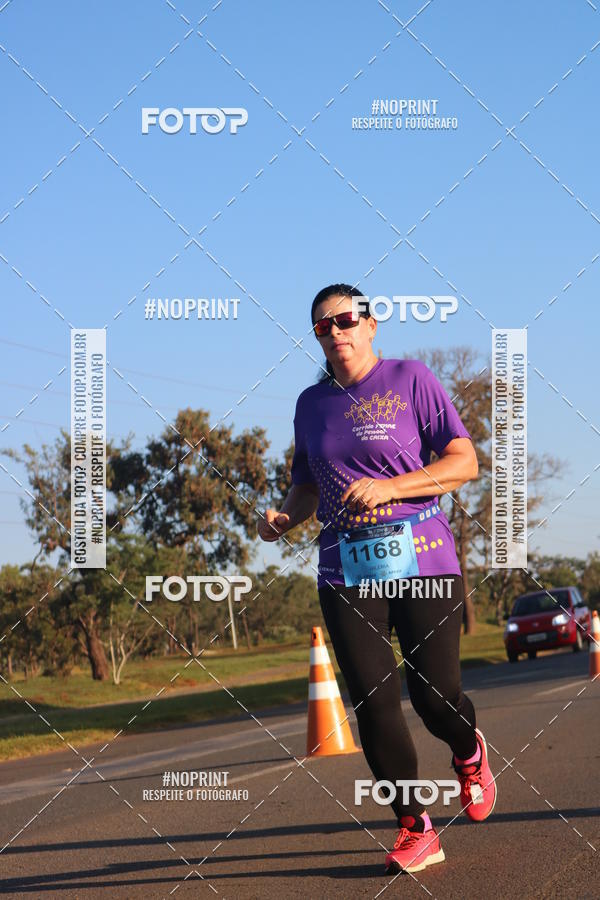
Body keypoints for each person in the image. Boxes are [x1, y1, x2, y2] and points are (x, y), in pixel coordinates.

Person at [257, 283, 497, 875]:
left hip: (423, 556)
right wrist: (286, 515)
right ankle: (415, 827)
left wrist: (392, 486)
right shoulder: (311, 404)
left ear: (369, 324)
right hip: (345, 565)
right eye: (321, 327)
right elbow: (308, 483)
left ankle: (468, 752)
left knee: (434, 697)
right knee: (372, 701)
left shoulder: (411, 379)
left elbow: (464, 461)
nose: (334, 332)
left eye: (343, 320)